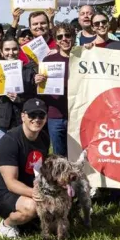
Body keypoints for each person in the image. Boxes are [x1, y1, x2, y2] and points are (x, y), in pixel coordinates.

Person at [0, 98, 50, 239]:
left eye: (41, 115)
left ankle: (30, 221)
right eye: (32, 115)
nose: (37, 119)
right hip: (5, 191)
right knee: (32, 207)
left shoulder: (43, 137)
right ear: (23, 116)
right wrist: (37, 194)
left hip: (31, 184)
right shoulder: (10, 142)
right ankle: (6, 225)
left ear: (46, 118)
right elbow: (11, 183)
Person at [35, 23, 75, 157]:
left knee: (77, 154)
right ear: (56, 40)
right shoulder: (48, 60)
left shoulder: (82, 58)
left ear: (73, 37)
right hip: (55, 116)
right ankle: (61, 179)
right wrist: (38, 82)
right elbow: (41, 92)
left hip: (76, 115)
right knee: (59, 156)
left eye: (67, 35)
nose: (64, 39)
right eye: (60, 37)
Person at [0, 35, 37, 143]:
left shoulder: (28, 71)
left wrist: (20, 99)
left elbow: (33, 97)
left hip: (22, 120)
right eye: (7, 49)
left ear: (19, 51)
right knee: (3, 154)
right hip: (1, 121)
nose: (11, 52)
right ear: (1, 52)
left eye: (14, 49)